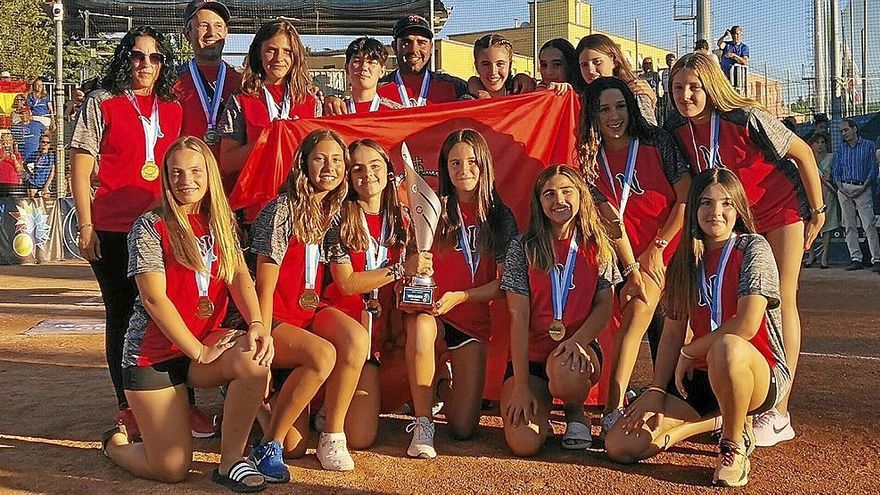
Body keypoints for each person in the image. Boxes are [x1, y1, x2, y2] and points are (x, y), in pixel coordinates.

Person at [666, 52, 825, 447]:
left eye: (694, 87)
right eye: (678, 88)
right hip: (731, 217)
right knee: (734, 299)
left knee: (783, 299)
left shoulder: (745, 117)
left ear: (711, 86)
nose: (686, 95)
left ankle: (779, 412)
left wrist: (818, 210)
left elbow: (802, 153)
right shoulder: (675, 129)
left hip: (780, 208)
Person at [101, 136, 273, 493]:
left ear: (209, 174)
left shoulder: (221, 220)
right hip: (154, 356)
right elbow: (153, 299)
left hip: (201, 344)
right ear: (165, 177)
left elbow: (239, 274)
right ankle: (115, 445)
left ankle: (232, 463)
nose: (186, 180)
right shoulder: (150, 224)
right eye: (176, 173)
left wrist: (257, 323)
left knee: (254, 359)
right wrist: (199, 351)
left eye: (195, 171)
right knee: (171, 469)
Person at [606, 168, 791, 488]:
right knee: (620, 444)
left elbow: (746, 325)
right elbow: (672, 333)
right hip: (701, 377)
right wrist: (656, 390)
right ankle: (714, 419)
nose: (715, 212)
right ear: (694, 209)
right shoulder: (685, 258)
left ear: (739, 209)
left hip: (757, 372)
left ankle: (732, 446)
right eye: (705, 203)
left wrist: (691, 350)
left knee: (727, 346)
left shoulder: (753, 248)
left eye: (726, 204)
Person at [69, 26, 184, 439]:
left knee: (167, 309)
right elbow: (80, 166)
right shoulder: (104, 101)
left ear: (164, 64)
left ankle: (178, 401)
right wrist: (86, 225)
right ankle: (127, 405)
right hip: (114, 227)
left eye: (155, 58)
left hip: (160, 226)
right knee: (122, 315)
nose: (145, 65)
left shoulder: (172, 106)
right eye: (137, 56)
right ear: (125, 58)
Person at [577, 77, 691, 438]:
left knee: (643, 316)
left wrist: (655, 251)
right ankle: (610, 403)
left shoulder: (657, 141)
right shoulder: (588, 158)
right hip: (621, 258)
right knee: (627, 315)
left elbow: (686, 199)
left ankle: (616, 407)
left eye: (621, 106)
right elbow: (610, 219)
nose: (615, 116)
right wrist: (632, 268)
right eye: (604, 109)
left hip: (667, 249)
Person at [250, 129, 365, 476]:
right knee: (294, 448)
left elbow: (345, 279)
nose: (328, 167)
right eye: (320, 158)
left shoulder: (335, 210)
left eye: (335, 160)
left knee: (356, 338)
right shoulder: (281, 210)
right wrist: (264, 348)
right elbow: (263, 288)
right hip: (273, 319)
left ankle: (333, 434)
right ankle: (267, 442)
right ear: (303, 162)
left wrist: (397, 271)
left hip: (307, 312)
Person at [404, 129, 518, 459]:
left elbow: (506, 282)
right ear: (445, 168)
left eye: (471, 161)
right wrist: (414, 265)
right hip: (435, 314)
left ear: (484, 165)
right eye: (454, 162)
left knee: (463, 429)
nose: (463, 169)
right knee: (422, 328)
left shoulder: (499, 215)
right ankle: (423, 422)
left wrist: (462, 296)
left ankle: (440, 384)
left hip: (471, 325)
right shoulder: (432, 208)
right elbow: (412, 264)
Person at [499, 165, 618, 455]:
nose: (559, 200)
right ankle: (541, 410)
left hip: (577, 351)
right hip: (532, 357)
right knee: (523, 444)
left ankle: (575, 412)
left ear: (581, 197)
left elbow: (605, 304)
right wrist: (521, 385)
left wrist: (577, 341)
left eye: (567, 191)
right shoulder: (523, 246)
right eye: (549, 194)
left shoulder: (598, 244)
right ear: (539, 202)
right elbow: (518, 315)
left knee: (565, 366)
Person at [323, 139, 430, 449]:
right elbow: (347, 283)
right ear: (348, 176)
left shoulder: (406, 220)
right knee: (360, 438)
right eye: (357, 168)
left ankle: (426, 411)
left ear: (388, 171)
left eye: (375, 166)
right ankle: (322, 408)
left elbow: (415, 277)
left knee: (424, 331)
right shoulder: (340, 218)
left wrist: (421, 271)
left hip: (384, 336)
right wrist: (400, 268)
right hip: (348, 336)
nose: (367, 174)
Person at [218, 19, 321, 196]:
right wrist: (268, 140)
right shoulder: (242, 98)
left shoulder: (311, 100)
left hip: (302, 202)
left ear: (295, 55)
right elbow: (227, 162)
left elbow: (320, 154)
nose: (278, 58)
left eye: (287, 51)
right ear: (259, 53)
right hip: (256, 205)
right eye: (271, 50)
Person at [175, 0, 241, 172]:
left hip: (232, 186)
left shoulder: (243, 82)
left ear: (226, 33)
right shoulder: (170, 82)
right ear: (187, 34)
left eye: (218, 26)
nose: (211, 33)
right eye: (204, 25)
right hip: (188, 182)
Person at [576, 34, 658, 125]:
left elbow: (650, 132)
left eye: (597, 62)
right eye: (584, 65)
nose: (591, 70)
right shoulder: (579, 98)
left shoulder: (635, 91)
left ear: (613, 61)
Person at [831, 119, 879, 271]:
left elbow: (873, 168)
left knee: (869, 225)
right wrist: (841, 188)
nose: (843, 134)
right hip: (844, 189)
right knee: (849, 226)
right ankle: (855, 258)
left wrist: (864, 186)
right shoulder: (841, 149)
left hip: (863, 188)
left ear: (855, 129)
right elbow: (836, 170)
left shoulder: (868, 146)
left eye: (845, 130)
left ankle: (876, 259)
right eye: (842, 131)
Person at [804, 132, 839, 269]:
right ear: (812, 144)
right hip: (810, 195)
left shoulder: (832, 158)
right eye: (817, 142)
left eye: (822, 142)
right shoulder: (808, 158)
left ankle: (824, 257)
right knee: (810, 224)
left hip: (827, 195)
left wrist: (830, 177)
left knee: (828, 225)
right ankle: (811, 255)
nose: (820, 145)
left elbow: (836, 174)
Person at [342, 37, 403, 113]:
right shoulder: (335, 111)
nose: (364, 67)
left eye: (371, 62)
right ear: (347, 68)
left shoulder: (396, 113)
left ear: (382, 71)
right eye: (357, 61)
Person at [25, 133, 55, 200]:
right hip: (34, 182)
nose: (45, 144)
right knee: (32, 200)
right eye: (43, 142)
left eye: (47, 142)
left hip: (45, 181)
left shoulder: (51, 156)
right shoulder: (35, 154)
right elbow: (25, 164)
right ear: (39, 143)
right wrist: (30, 173)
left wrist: (46, 186)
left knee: (45, 201)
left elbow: (52, 172)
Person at [0, 130, 23, 196]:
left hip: (13, 182)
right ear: (2, 142)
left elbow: (19, 170)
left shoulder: (16, 154)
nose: (7, 143)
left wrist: (15, 160)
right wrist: (2, 158)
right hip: (1, 181)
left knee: (12, 203)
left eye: (10, 141)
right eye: (5, 141)